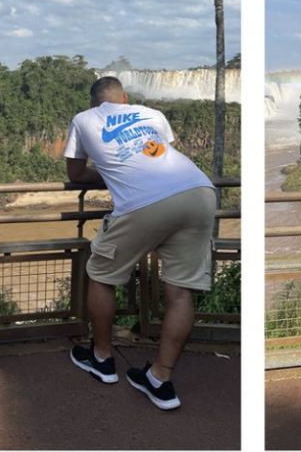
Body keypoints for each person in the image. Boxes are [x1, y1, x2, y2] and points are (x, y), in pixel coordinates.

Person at [65, 76, 217, 410]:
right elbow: (158, 155)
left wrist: (110, 169)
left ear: (95, 104)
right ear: (125, 98)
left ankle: (102, 359)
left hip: (145, 202)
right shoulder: (150, 113)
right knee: (180, 291)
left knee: (102, 275)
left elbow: (76, 174)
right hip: (200, 191)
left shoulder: (83, 119)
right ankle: (159, 379)